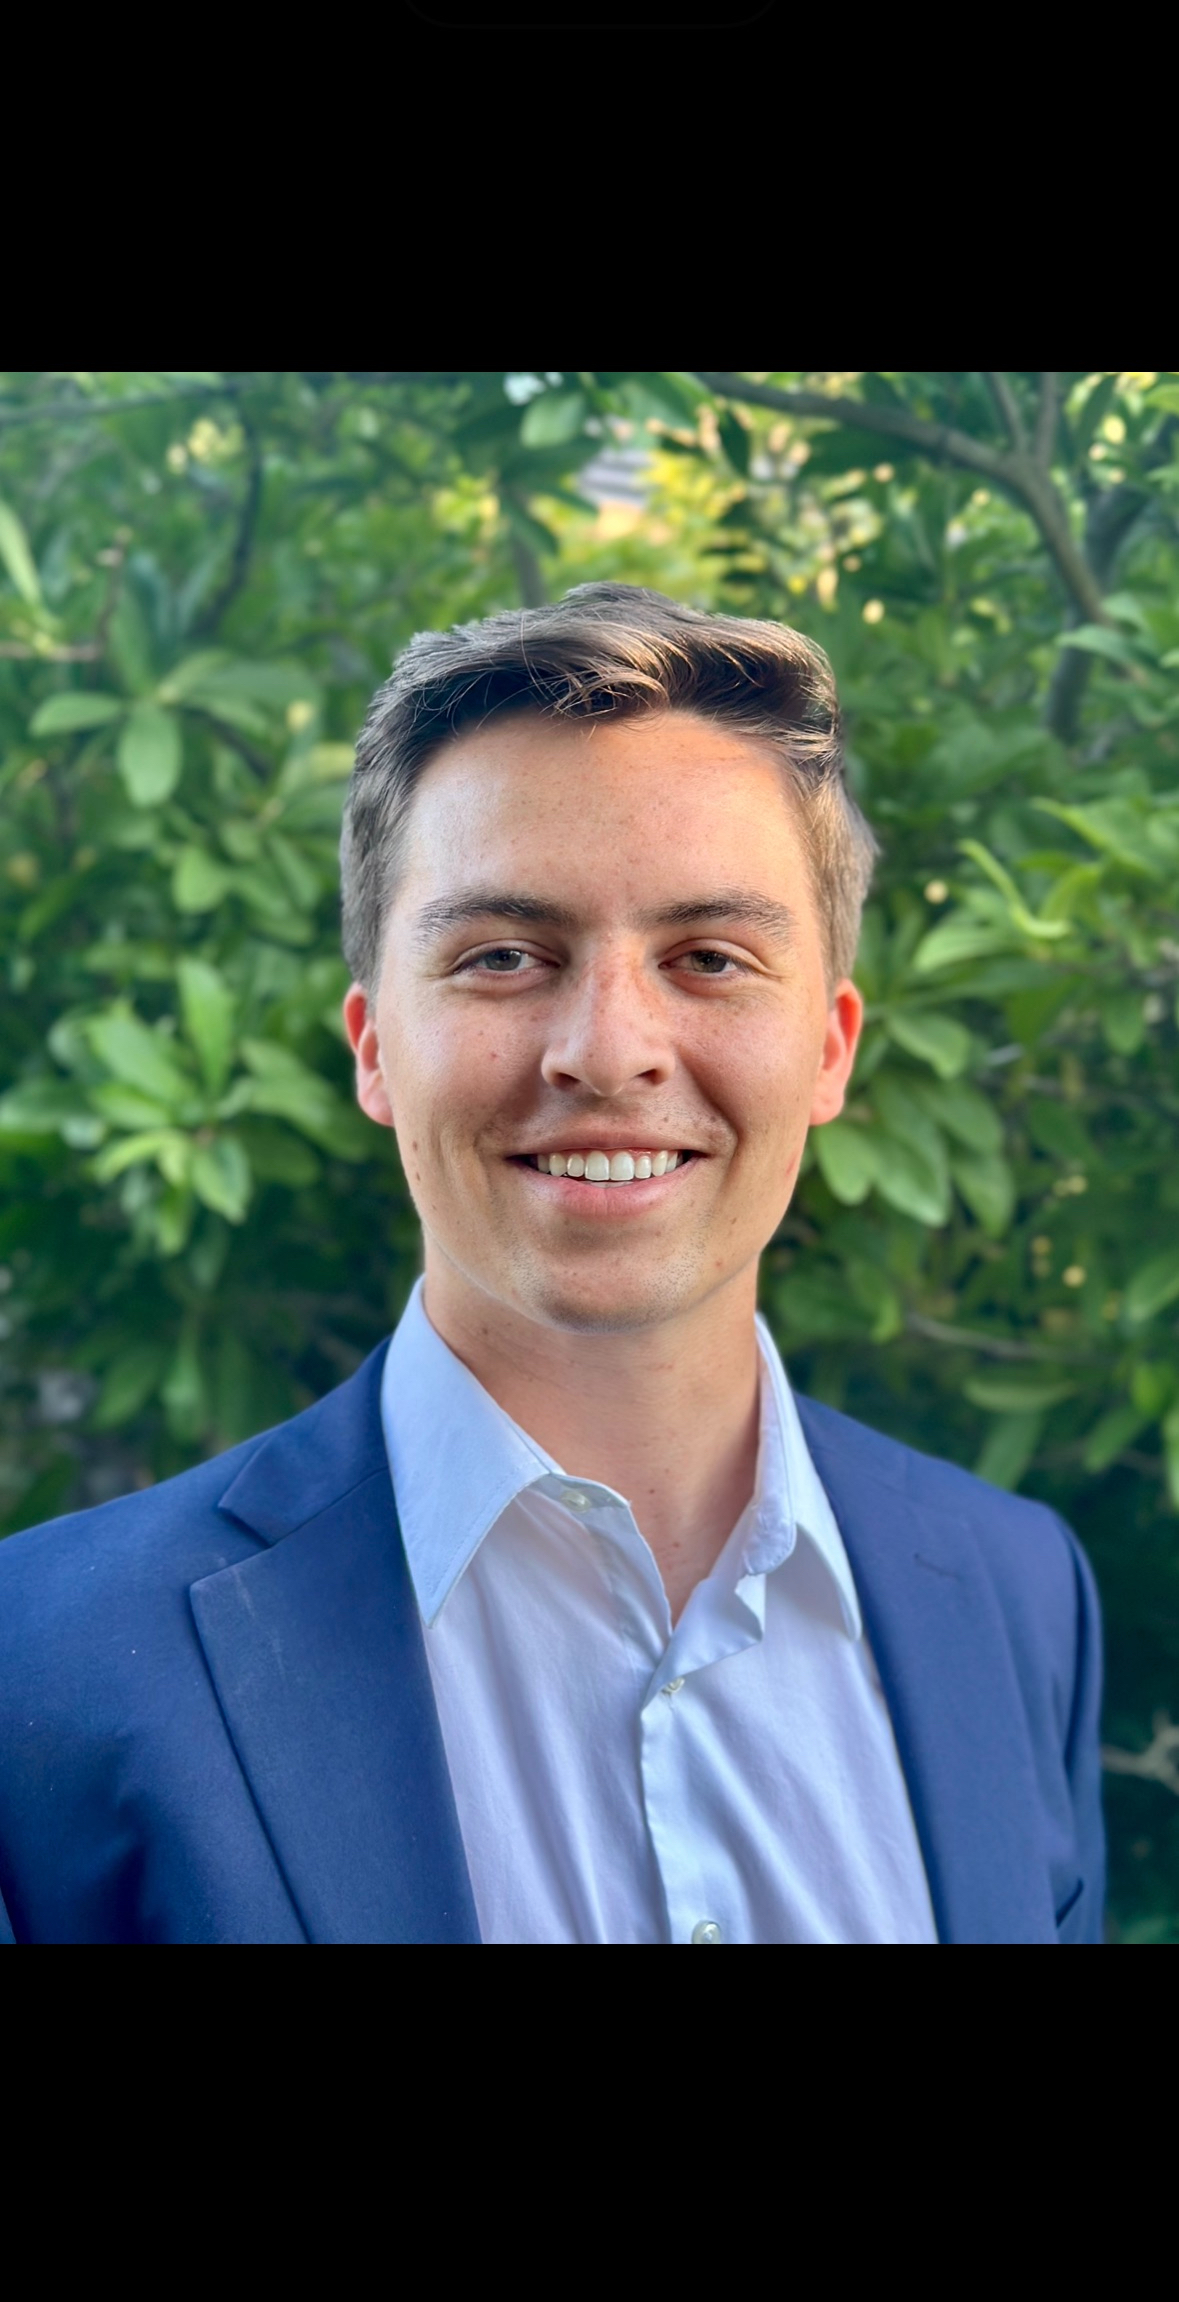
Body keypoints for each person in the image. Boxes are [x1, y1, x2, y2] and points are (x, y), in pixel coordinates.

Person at [0, 584, 1104, 1944]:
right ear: (374, 1048)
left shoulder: (1017, 1592)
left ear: (829, 1047)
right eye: (506, 955)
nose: (608, 1049)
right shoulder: (38, 1668)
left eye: (710, 957)